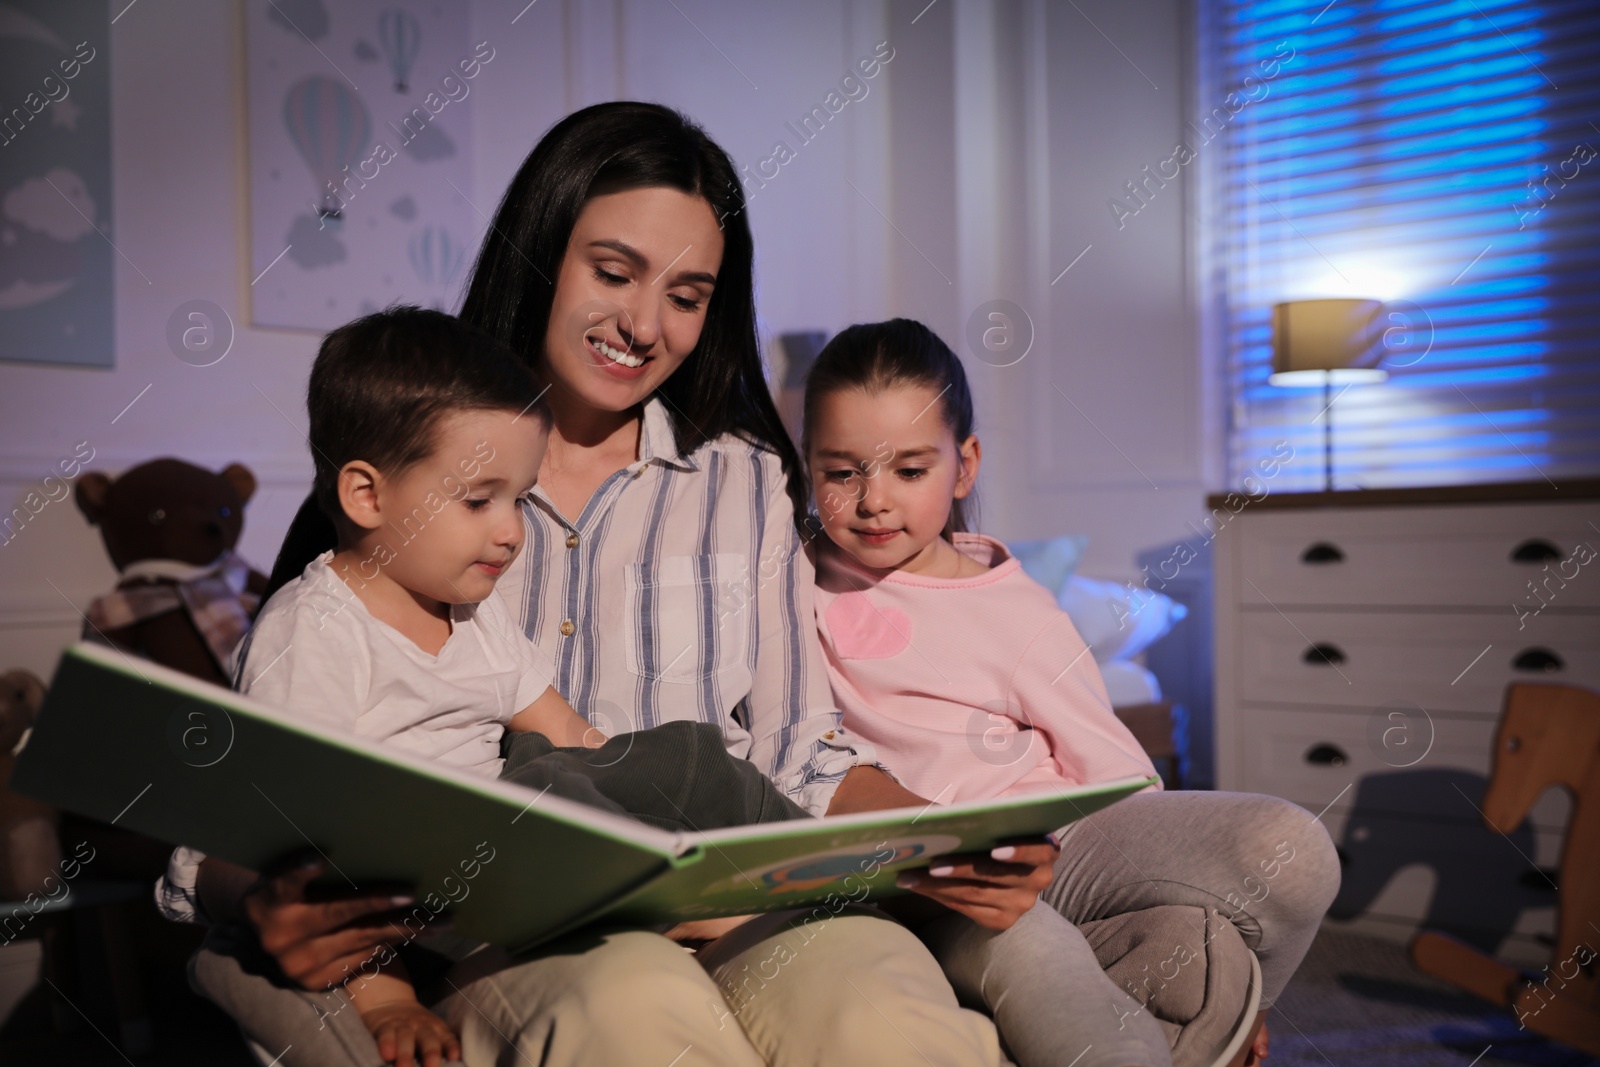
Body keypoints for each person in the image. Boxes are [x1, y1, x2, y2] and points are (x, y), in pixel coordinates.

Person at [169, 103, 1053, 1067]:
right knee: (632, 1009)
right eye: (614, 271)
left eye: (688, 293)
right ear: (543, 253)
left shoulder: (747, 479)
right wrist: (252, 895)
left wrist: (946, 843)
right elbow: (241, 797)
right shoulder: (410, 491)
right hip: (532, 933)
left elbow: (802, 746)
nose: (644, 324)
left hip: (732, 901)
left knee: (882, 1004)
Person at [213, 306, 809, 1067]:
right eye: (477, 500)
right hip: (398, 916)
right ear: (367, 496)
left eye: (520, 498)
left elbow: (577, 740)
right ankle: (665, 911)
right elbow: (286, 845)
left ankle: (709, 886)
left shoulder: (473, 614)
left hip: (495, 885)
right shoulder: (312, 633)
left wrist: (635, 811)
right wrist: (387, 996)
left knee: (645, 768)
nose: (510, 531)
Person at [801, 320, 1342, 1066]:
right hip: (936, 881)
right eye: (842, 472)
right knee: (1045, 963)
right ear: (808, 469)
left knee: (1293, 848)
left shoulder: (1016, 607)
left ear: (965, 467)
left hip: (1066, 846)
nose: (873, 501)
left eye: (909, 470)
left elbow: (1113, 772)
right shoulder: (792, 585)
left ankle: (1244, 1009)